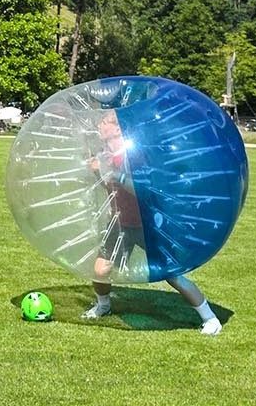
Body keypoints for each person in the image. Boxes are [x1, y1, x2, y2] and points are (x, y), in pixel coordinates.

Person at [81, 110, 222, 334]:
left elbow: (144, 189)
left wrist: (112, 172)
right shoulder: (105, 155)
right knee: (99, 270)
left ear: (118, 129)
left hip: (147, 225)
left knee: (171, 274)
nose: (99, 126)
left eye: (104, 122)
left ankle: (209, 318)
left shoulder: (134, 155)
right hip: (120, 224)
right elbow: (112, 191)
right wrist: (97, 174)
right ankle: (103, 305)